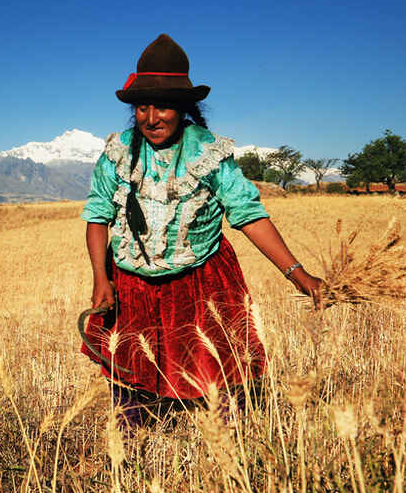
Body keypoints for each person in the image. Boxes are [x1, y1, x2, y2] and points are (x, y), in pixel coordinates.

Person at [80, 34, 323, 426]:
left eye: (163, 107)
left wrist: (296, 273)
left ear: (184, 109)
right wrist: (100, 278)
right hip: (131, 284)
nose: (152, 117)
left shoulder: (208, 152)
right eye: (143, 107)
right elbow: (97, 216)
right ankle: (129, 455)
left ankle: (227, 451)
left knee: (218, 377)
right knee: (132, 382)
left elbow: (248, 214)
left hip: (200, 281)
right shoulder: (118, 152)